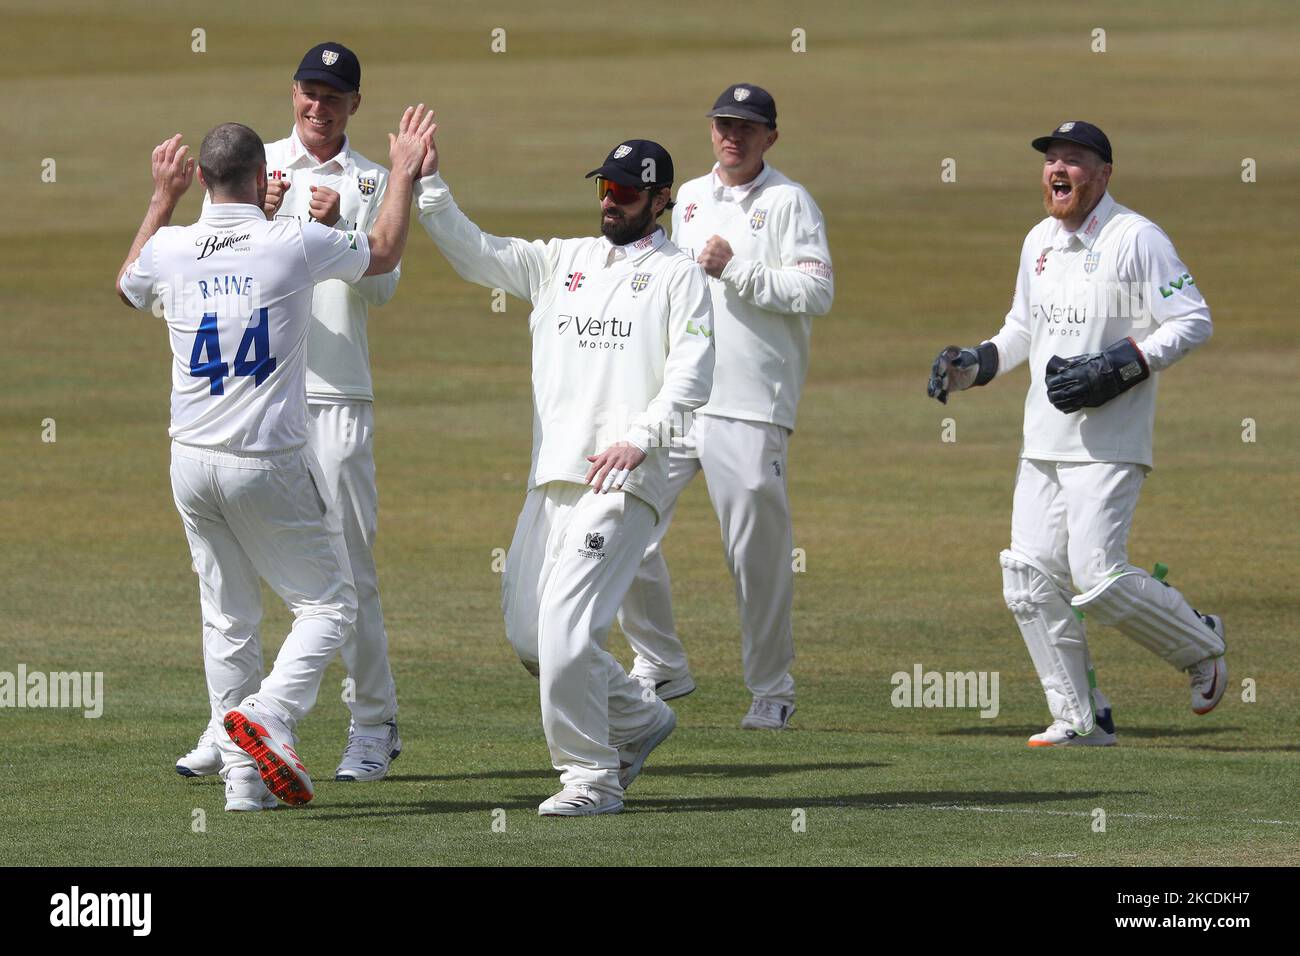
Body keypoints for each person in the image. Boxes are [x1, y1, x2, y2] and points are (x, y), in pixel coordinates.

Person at [118, 106, 432, 808]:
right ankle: (270, 713)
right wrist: (404, 175)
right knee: (328, 605)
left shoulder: (169, 246)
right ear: (264, 178)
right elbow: (381, 254)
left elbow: (126, 284)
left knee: (228, 615)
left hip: (190, 462)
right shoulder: (292, 242)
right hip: (267, 459)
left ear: (201, 178)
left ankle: (240, 780)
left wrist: (160, 200)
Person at [415, 129, 715, 815]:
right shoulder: (563, 261)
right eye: (605, 188)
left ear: (660, 200)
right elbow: (480, 255)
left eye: (628, 192)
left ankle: (591, 777)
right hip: (552, 475)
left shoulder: (680, 276)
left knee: (566, 631)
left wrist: (641, 438)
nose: (612, 202)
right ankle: (638, 721)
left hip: (624, 480)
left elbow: (692, 377)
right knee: (530, 638)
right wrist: (429, 187)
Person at [927, 120, 1227, 747]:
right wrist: (973, 365)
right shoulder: (1039, 240)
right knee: (1028, 580)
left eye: (1074, 160)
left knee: (1097, 575)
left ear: (1104, 174)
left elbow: (1192, 319)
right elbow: (1021, 329)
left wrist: (1121, 365)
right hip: (1042, 442)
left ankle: (1199, 640)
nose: (1058, 170)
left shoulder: (1134, 237)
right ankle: (1081, 718)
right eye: (1050, 161)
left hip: (1108, 440)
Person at [175, 41, 404, 783]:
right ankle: (231, 725)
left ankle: (371, 726)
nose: (319, 105)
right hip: (252, 407)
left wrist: (339, 230)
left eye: (334, 95)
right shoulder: (254, 167)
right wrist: (264, 222)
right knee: (229, 584)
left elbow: (382, 285)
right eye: (309, 90)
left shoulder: (372, 179)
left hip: (335, 397)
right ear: (292, 92)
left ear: (354, 106)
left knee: (348, 576)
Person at [616, 83, 834, 730]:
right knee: (624, 522)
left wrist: (738, 268)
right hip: (677, 397)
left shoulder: (790, 202)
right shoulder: (686, 200)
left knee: (755, 557)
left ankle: (772, 688)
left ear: (770, 136)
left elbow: (816, 292)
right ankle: (658, 660)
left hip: (749, 402)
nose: (732, 136)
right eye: (723, 125)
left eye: (746, 127)